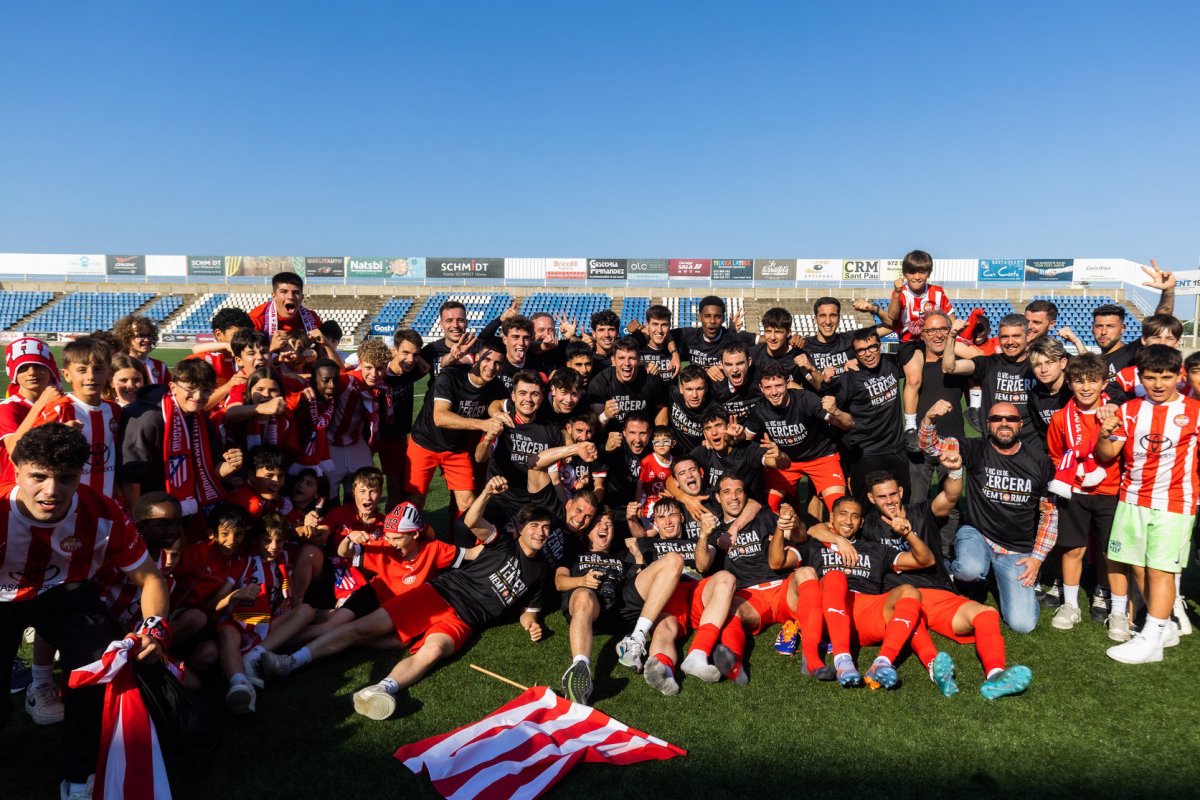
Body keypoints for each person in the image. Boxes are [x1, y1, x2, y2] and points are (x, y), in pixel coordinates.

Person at [0, 424, 168, 799]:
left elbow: (150, 578)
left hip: (65, 594)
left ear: (80, 476)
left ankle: (80, 776)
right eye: (38, 476)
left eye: (66, 478)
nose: (51, 491)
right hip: (2, 598)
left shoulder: (102, 512)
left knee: (101, 662)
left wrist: (154, 628)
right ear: (17, 470)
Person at [347, 476, 551, 720]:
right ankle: (311, 651)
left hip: (465, 620)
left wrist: (531, 625)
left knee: (432, 651)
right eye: (534, 526)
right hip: (442, 594)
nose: (540, 533)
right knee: (364, 628)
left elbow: (530, 611)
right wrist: (487, 491)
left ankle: (382, 688)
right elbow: (471, 520)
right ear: (521, 528)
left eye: (546, 527)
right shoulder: (504, 542)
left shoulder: (541, 570)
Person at [1095, 345, 1198, 663]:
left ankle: (1151, 640)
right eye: (1151, 377)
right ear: (1140, 377)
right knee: (1137, 565)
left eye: (1166, 377)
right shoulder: (1129, 410)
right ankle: (1163, 627)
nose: (1158, 384)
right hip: (1132, 498)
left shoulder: (1195, 412)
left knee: (1160, 570)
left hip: (1174, 502)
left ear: (1179, 376)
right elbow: (1107, 454)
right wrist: (1104, 434)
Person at [924, 401, 1057, 633]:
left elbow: (1050, 513)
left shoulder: (1039, 462)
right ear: (988, 424)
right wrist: (929, 419)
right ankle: (961, 571)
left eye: (1011, 419)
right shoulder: (976, 449)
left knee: (1023, 625)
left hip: (1016, 549)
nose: (1004, 423)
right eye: (996, 419)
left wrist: (1037, 558)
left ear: (1020, 424)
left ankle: (995, 577)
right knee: (969, 569)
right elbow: (931, 446)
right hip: (978, 534)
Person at [793, 495, 936, 691]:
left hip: (866, 613)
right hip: (830, 611)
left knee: (910, 592)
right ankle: (843, 661)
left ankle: (885, 662)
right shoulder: (814, 544)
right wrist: (838, 540)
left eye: (854, 516)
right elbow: (779, 560)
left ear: (861, 522)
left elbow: (926, 560)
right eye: (843, 514)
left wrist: (908, 534)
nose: (848, 521)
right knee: (835, 576)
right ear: (831, 518)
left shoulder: (876, 549)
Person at [558, 509, 685, 705]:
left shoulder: (622, 557)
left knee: (674, 559)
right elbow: (559, 581)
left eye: (609, 524)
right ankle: (580, 668)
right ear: (589, 532)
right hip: (589, 605)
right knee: (583, 595)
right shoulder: (574, 554)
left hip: (622, 606)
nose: (604, 527)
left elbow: (645, 582)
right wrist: (582, 581)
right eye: (598, 523)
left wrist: (638, 557)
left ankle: (636, 637)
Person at [1045, 353, 1122, 632]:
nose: (1086, 387)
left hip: (1109, 491)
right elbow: (1055, 454)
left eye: (1092, 381)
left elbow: (1116, 453)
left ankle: (1110, 601)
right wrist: (1073, 473)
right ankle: (1070, 604)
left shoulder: (1116, 415)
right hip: (1073, 491)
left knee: (1109, 551)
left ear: (1104, 383)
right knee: (1072, 548)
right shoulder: (1060, 418)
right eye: (1079, 381)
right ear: (1070, 384)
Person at [118, 358, 242, 520]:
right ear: (173, 387)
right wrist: (140, 521)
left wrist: (231, 465)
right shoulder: (148, 417)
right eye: (190, 389)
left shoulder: (199, 416)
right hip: (152, 512)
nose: (198, 396)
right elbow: (131, 478)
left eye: (206, 390)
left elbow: (212, 469)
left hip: (186, 508)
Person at [219, 512, 315, 713]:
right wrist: (235, 595)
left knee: (307, 611)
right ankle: (240, 684)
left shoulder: (283, 559)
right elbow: (216, 603)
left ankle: (253, 657)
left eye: (279, 541)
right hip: (241, 623)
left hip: (271, 622)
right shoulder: (244, 562)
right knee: (227, 634)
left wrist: (296, 615)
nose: (274, 546)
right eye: (267, 540)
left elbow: (293, 595)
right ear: (256, 540)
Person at [404, 339, 506, 513]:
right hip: (424, 443)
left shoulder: (496, 385)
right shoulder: (451, 376)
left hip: (456, 449)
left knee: (467, 503)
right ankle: (413, 532)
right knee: (415, 501)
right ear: (476, 358)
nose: (491, 367)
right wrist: (483, 424)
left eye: (497, 363)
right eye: (487, 360)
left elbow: (496, 402)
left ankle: (461, 532)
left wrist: (496, 412)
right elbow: (440, 417)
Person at [743, 360, 852, 514]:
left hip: (821, 456)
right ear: (761, 388)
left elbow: (848, 424)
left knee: (839, 508)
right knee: (768, 507)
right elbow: (745, 441)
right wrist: (735, 437)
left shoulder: (806, 399)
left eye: (779, 386)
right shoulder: (759, 410)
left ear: (788, 383)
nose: (774, 392)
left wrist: (836, 412)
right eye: (768, 387)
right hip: (785, 460)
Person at [905, 311, 967, 550]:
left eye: (943, 329)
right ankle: (917, 549)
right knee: (917, 500)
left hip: (952, 441)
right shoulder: (915, 360)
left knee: (950, 502)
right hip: (920, 440)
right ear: (922, 334)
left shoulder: (958, 362)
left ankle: (945, 552)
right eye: (931, 330)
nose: (938, 335)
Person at [831, 328, 913, 504]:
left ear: (880, 346)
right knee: (864, 506)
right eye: (861, 350)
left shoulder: (891, 362)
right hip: (867, 453)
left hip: (897, 449)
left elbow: (912, 346)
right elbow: (831, 408)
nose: (868, 354)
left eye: (872, 347)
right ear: (855, 353)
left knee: (902, 502)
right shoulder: (849, 377)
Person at [943, 313, 1042, 456]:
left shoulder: (1039, 366)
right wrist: (952, 336)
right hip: (994, 449)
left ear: (1027, 337)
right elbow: (949, 367)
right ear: (998, 338)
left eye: (1016, 336)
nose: (1010, 342)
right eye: (1005, 337)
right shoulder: (988, 363)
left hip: (1032, 449)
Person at [376, 329, 428, 507]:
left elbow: (427, 366)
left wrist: (419, 358)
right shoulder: (378, 373)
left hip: (396, 437)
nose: (411, 359)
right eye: (405, 352)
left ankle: (392, 522)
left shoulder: (411, 372)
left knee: (396, 488)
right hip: (371, 436)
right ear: (394, 350)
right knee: (363, 482)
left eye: (415, 354)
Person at [0, 336, 61, 485]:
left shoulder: (59, 404)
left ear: (50, 370)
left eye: (39, 366)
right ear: (14, 374)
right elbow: (14, 451)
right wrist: (40, 404)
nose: (32, 372)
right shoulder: (8, 407)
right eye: (23, 368)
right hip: (13, 488)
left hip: (49, 486)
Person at [588, 336, 668, 433]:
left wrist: (659, 436)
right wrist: (605, 415)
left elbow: (661, 408)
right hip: (613, 436)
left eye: (632, 358)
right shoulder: (600, 383)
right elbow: (595, 429)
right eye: (621, 358)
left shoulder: (651, 378)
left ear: (639, 360)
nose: (626, 363)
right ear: (613, 361)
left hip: (642, 435)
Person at [249, 271, 323, 342]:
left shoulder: (312, 319)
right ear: (274, 296)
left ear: (302, 297)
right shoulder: (256, 318)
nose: (290, 297)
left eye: (296, 293)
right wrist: (272, 348)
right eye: (284, 292)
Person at [419, 300, 477, 380]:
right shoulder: (431, 349)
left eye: (460, 320)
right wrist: (418, 357)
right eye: (449, 321)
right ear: (441, 324)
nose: (455, 325)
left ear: (466, 322)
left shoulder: (479, 347)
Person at [113, 313, 171, 385]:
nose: (147, 340)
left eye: (148, 335)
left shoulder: (160, 366)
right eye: (140, 335)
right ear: (127, 337)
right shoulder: (117, 365)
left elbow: (168, 391)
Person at [667, 365, 711, 455]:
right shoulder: (672, 395)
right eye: (689, 389)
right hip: (674, 454)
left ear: (706, 388)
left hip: (698, 456)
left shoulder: (712, 409)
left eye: (699, 389)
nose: (694, 395)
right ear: (681, 389)